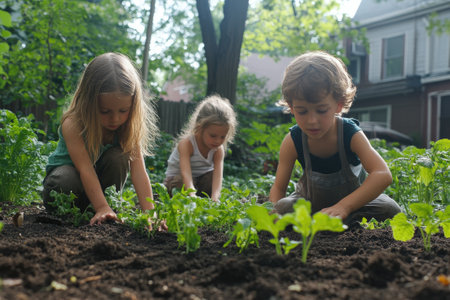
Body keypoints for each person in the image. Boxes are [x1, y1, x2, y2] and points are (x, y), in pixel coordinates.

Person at [269, 51, 401, 225]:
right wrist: (273, 213)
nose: (312, 120)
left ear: (338, 104)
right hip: (310, 206)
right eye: (302, 111)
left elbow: (382, 174)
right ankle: (321, 223)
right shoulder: (293, 141)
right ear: (292, 108)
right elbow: (279, 188)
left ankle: (342, 221)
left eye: (322, 110)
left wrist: (345, 206)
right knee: (283, 206)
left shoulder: (349, 133)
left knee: (390, 208)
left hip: (352, 205)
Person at [43, 52, 160, 226]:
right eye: (105, 111)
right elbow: (85, 169)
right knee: (65, 178)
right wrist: (101, 206)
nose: (115, 119)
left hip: (99, 189)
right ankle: (87, 211)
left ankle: (107, 211)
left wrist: (150, 214)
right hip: (69, 186)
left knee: (119, 156)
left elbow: (139, 171)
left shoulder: (128, 126)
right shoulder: (74, 123)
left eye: (123, 111)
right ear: (89, 103)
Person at [164, 95, 237, 202]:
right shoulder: (187, 144)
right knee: (180, 183)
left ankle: (203, 202)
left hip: (200, 180)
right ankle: (185, 201)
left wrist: (215, 197)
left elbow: (217, 177)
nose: (218, 141)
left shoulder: (218, 150)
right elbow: (185, 173)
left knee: (210, 178)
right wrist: (191, 193)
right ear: (199, 127)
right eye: (213, 136)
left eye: (223, 137)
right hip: (179, 180)